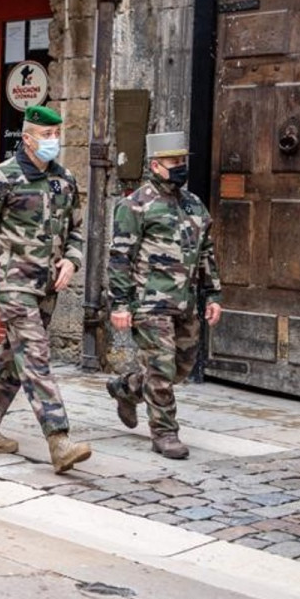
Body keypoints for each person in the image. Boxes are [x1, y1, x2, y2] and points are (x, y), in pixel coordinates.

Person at [0, 105, 91, 474]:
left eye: (57, 135)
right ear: (27, 138)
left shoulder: (64, 179)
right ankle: (59, 439)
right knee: (35, 355)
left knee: (14, 359)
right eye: (47, 136)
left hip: (47, 284)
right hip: (13, 283)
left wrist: (72, 260)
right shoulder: (1, 177)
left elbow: (76, 230)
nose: (54, 141)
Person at [106, 131, 223, 459]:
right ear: (156, 165)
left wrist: (213, 294)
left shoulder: (194, 204)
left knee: (181, 367)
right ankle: (165, 433)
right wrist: (120, 303)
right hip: (149, 303)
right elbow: (119, 257)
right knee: (161, 368)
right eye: (174, 162)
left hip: (185, 303)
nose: (181, 166)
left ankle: (126, 388)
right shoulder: (135, 205)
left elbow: (206, 253)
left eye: (183, 161)